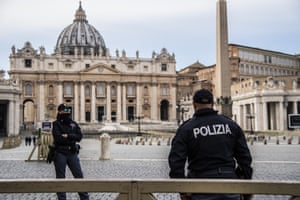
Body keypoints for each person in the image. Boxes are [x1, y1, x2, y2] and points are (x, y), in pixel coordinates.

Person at [168, 89, 253, 200]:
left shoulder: (186, 129)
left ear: (194, 105)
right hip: (229, 184)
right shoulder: (231, 125)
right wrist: (242, 180)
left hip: (200, 185)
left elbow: (176, 162)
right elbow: (245, 159)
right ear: (213, 104)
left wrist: (183, 189)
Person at [52, 104, 89, 200]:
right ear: (59, 112)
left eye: (68, 112)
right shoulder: (56, 124)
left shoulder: (74, 123)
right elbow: (58, 138)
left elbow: (79, 136)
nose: (67, 114)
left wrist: (68, 136)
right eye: (64, 111)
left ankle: (85, 198)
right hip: (60, 152)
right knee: (60, 178)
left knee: (79, 176)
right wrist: (72, 137)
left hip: (72, 152)